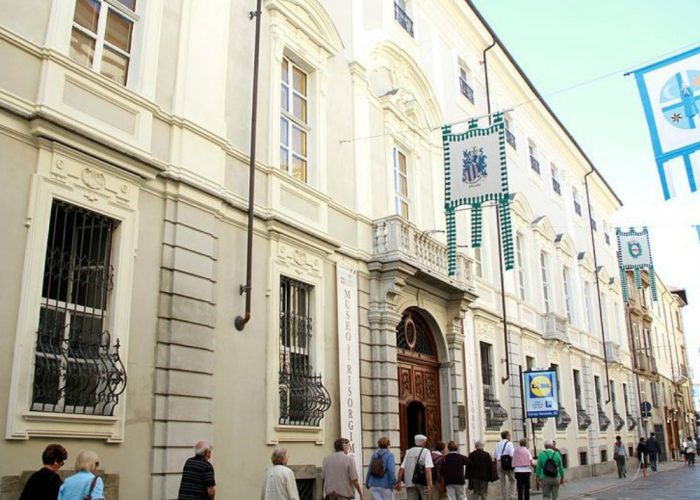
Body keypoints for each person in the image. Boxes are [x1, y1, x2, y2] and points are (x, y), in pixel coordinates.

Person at [398, 434, 434, 500]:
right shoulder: (426, 452)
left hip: (409, 481)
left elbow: (402, 467)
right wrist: (429, 484)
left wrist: (399, 481)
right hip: (422, 481)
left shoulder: (408, 451)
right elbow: (428, 469)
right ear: (423, 442)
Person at [494, 430, 515, 500]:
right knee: (512, 480)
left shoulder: (497, 444)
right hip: (507, 463)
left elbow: (495, 455)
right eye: (509, 435)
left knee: (502, 481)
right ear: (506, 436)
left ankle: (505, 497)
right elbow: (512, 455)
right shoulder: (509, 444)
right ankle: (512, 495)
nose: (510, 437)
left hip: (499, 462)